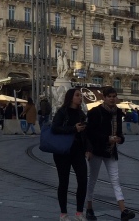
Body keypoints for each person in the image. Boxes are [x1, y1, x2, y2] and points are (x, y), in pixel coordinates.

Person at [85, 87, 135, 221]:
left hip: (111, 150)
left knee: (115, 180)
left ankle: (123, 210)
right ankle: (89, 208)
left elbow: (119, 132)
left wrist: (120, 139)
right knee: (93, 179)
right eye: (109, 96)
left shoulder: (118, 113)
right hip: (97, 150)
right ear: (104, 97)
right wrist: (106, 139)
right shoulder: (95, 112)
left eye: (114, 96)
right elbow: (90, 133)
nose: (112, 99)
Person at [51, 88, 88, 221]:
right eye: (77, 95)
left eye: (81, 95)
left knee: (83, 180)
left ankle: (79, 213)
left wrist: (88, 149)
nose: (80, 97)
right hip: (63, 151)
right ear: (70, 97)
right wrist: (73, 129)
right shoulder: (62, 112)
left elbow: (85, 134)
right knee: (64, 182)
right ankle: (63, 214)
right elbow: (54, 128)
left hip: (77, 150)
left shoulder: (81, 114)